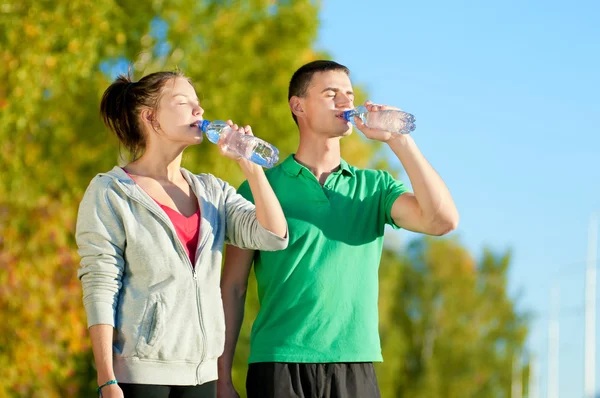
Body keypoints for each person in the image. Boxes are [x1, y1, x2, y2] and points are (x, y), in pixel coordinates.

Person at [217, 60, 459, 398]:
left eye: (349, 94)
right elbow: (233, 288)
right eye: (331, 94)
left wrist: (398, 141)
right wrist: (221, 375)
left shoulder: (375, 187)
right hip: (277, 363)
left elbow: (442, 221)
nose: (346, 103)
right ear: (297, 106)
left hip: (355, 365)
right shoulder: (259, 186)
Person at [75, 70, 288, 398]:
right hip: (139, 374)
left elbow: (274, 235)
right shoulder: (111, 192)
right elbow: (100, 285)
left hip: (202, 374)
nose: (199, 111)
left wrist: (251, 166)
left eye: (198, 104)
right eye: (183, 102)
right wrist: (107, 379)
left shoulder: (212, 192)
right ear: (151, 117)